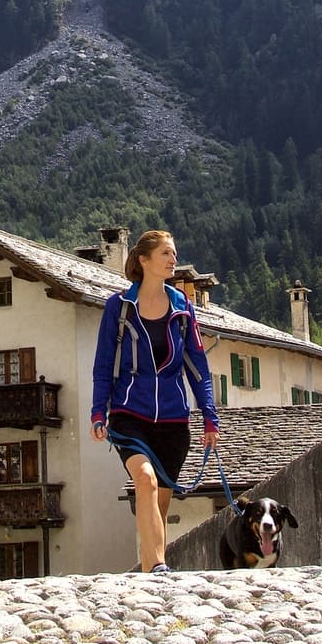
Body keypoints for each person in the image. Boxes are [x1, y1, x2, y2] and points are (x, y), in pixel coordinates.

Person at [90, 229, 220, 573]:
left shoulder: (182, 308)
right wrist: (97, 412)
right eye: (165, 253)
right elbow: (103, 364)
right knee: (144, 482)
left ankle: (152, 576)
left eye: (173, 253)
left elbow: (198, 366)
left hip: (174, 421)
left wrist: (210, 417)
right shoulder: (118, 308)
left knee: (159, 504)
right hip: (129, 414)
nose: (173, 260)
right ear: (144, 260)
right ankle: (160, 566)